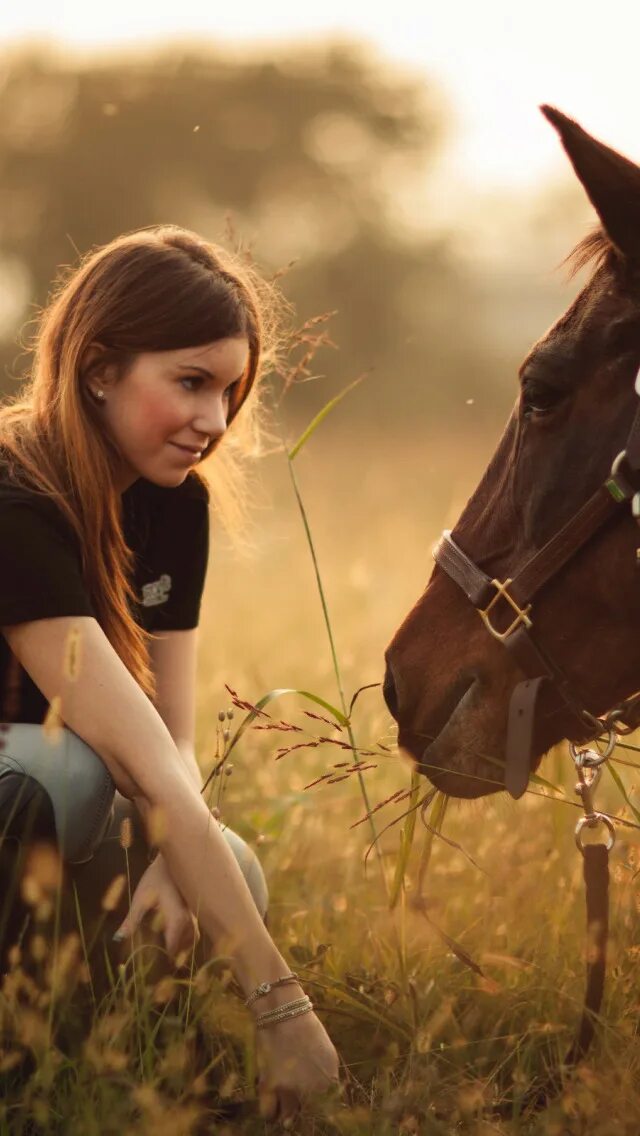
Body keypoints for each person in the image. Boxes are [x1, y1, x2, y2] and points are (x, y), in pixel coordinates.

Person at [0, 225, 339, 1121]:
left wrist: (167, 857)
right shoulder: (13, 500)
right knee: (68, 775)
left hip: (48, 810)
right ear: (100, 368)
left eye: (230, 390)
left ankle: (93, 1067)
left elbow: (172, 737)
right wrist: (283, 1008)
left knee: (222, 864)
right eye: (191, 382)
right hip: (21, 796)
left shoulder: (171, 505)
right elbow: (139, 764)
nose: (216, 422)